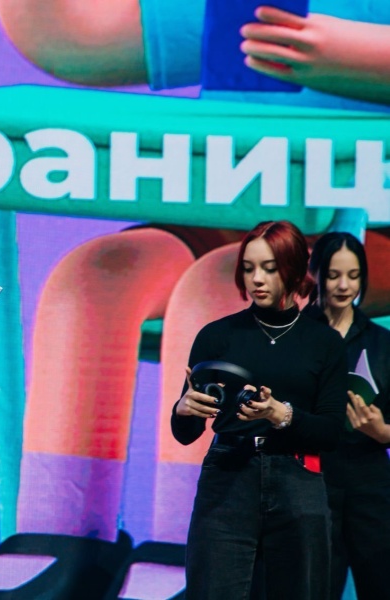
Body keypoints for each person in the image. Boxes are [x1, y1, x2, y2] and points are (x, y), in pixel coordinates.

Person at [171, 220, 347, 599]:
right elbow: (186, 434)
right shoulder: (217, 335)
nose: (257, 279)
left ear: (294, 269)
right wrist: (183, 410)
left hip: (298, 478)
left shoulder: (324, 343)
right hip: (228, 475)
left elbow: (332, 432)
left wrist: (279, 414)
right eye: (249, 268)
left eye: (269, 268)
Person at [306, 232, 390, 600]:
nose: (344, 286)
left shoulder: (381, 342)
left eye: (353, 276)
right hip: (309, 480)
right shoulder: (292, 337)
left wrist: (382, 432)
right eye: (334, 275)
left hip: (370, 480)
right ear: (315, 274)